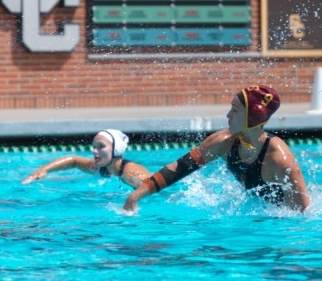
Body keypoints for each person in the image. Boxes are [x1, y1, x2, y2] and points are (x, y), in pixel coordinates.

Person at [124, 85, 311, 213]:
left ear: (252, 117)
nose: (228, 115)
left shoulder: (279, 159)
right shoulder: (223, 141)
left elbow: (301, 214)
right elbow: (180, 168)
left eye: (235, 110)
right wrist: (137, 194)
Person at [23, 129, 149, 188]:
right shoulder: (100, 167)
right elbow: (74, 161)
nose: (94, 151)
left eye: (100, 147)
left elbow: (155, 186)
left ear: (116, 149)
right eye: (94, 147)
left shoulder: (130, 173)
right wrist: (44, 169)